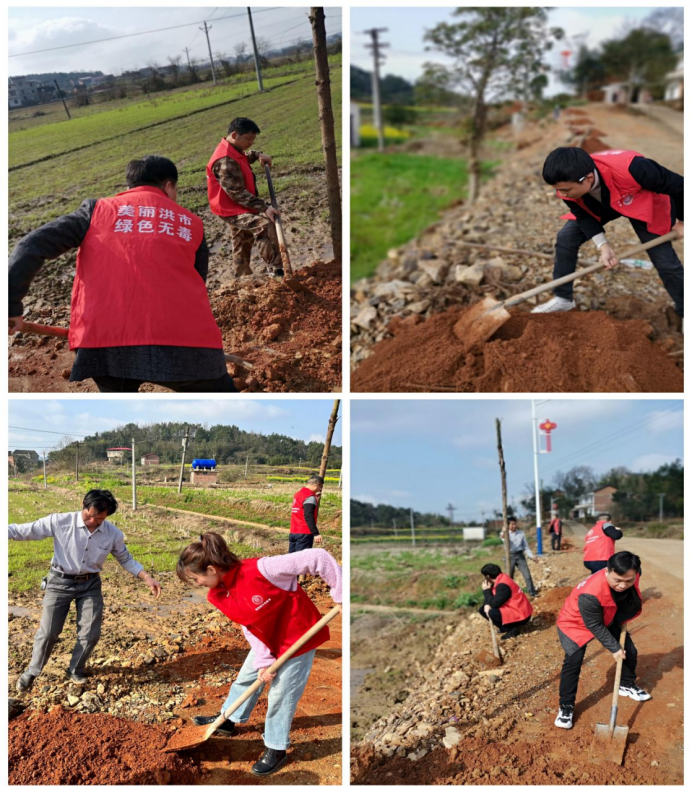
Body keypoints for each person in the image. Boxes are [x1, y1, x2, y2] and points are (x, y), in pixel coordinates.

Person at [8, 155, 236, 393]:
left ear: (129, 186)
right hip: (187, 348)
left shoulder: (96, 211)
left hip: (104, 347)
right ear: (169, 186)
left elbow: (30, 246)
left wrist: (11, 305)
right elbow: (197, 283)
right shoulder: (192, 224)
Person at [177, 533, 342, 776]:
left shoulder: (261, 569)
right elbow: (248, 625)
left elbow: (317, 557)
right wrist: (265, 660)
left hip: (298, 638)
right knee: (247, 677)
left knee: (281, 694)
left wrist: (341, 591)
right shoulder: (217, 595)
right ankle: (228, 719)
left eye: (196, 578)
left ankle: (276, 747)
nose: (197, 584)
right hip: (267, 640)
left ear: (211, 568)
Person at [9, 489, 161, 691]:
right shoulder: (59, 521)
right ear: (83, 504)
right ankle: (32, 671)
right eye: (90, 516)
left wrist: (146, 576)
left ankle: (75, 669)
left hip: (90, 584)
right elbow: (24, 530)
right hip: (59, 583)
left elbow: (125, 558)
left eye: (99, 520)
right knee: (48, 632)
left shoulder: (113, 534)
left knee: (91, 633)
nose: (92, 522)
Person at [533, 147, 683, 318]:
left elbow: (680, 186)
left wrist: (683, 221)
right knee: (566, 238)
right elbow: (583, 215)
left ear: (588, 178)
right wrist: (603, 246)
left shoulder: (634, 168)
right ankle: (563, 298)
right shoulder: (569, 184)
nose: (561, 194)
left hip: (641, 200)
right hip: (601, 203)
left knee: (666, 262)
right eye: (558, 190)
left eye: (566, 190)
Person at [554, 551, 650, 730]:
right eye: (617, 580)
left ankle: (626, 684)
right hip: (575, 622)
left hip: (607, 615)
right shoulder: (589, 594)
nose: (622, 585)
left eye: (628, 581)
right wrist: (614, 648)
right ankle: (566, 707)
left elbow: (623, 593)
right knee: (573, 661)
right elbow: (595, 626)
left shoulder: (632, 573)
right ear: (607, 572)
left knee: (630, 651)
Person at [207, 117, 283, 278]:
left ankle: (242, 276)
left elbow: (242, 159)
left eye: (253, 139)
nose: (251, 143)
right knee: (264, 225)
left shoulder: (232, 149)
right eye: (248, 139)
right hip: (231, 208)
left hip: (237, 205)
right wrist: (264, 208)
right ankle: (277, 271)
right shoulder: (225, 160)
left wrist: (258, 155)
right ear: (235, 134)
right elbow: (237, 193)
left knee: (242, 239)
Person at [479, 563, 533, 640]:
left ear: (487, 576)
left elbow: (494, 604)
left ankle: (511, 629)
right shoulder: (501, 578)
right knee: (483, 609)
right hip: (518, 609)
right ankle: (505, 627)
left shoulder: (502, 586)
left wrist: (486, 591)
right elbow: (493, 598)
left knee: (492, 612)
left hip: (522, 615)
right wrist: (487, 603)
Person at [501, 518, 538, 596]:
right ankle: (509, 595)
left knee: (527, 575)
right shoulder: (505, 533)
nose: (514, 526)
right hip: (509, 557)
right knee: (509, 577)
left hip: (520, 556)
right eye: (512, 524)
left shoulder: (521, 534)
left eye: (515, 524)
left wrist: (532, 556)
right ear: (508, 525)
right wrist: (504, 531)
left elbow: (526, 547)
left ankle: (532, 592)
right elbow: (503, 537)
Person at [288, 475, 324, 553]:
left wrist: (315, 498)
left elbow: (301, 509)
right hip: (304, 533)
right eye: (320, 487)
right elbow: (308, 515)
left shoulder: (298, 494)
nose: (320, 489)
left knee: (291, 561)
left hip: (294, 532)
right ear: (316, 484)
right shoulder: (310, 497)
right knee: (302, 562)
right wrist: (316, 533)